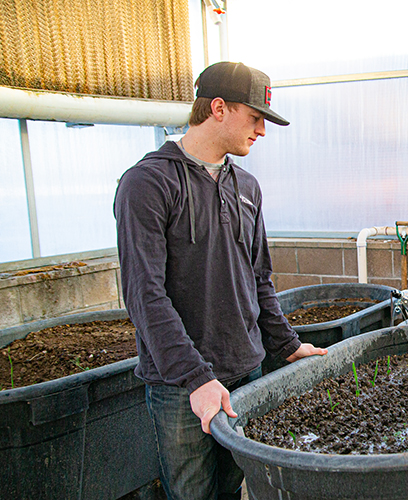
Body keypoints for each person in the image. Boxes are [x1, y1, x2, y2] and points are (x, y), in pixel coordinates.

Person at [114, 61, 327, 500]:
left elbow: (259, 278)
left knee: (233, 486)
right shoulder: (148, 183)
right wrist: (197, 378)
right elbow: (144, 295)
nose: (262, 132)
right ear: (217, 108)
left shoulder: (246, 186)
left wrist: (286, 344)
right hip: (180, 385)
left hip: (246, 370)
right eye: (255, 118)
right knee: (191, 492)